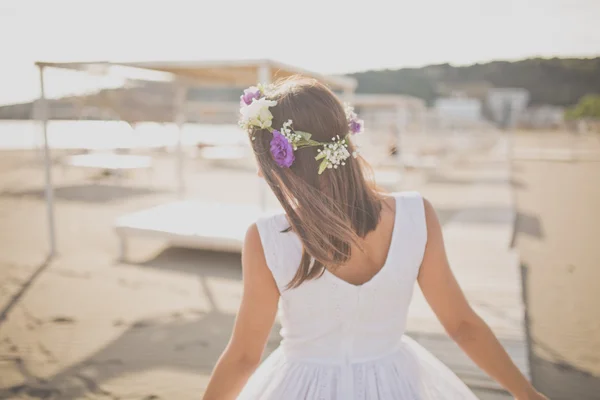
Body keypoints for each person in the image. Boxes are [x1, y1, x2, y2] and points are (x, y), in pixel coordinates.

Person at [202, 77, 547, 400]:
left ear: (284, 161)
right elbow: (462, 325)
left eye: (264, 161)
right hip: (396, 380)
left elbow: (245, 356)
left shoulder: (267, 237)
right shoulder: (416, 214)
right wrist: (526, 394)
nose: (262, 171)